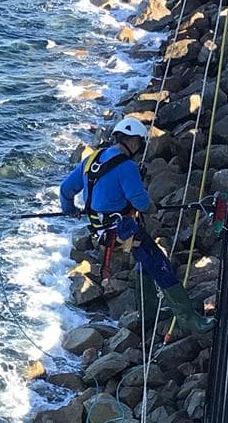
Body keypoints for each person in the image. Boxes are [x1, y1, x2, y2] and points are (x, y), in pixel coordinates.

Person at [60, 117, 216, 333]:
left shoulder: (90, 160)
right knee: (159, 263)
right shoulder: (127, 166)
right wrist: (151, 207)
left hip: (101, 230)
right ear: (133, 142)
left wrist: (70, 210)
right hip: (121, 230)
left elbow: (66, 189)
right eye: (140, 144)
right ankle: (189, 319)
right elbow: (140, 202)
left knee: (144, 260)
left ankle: (149, 312)